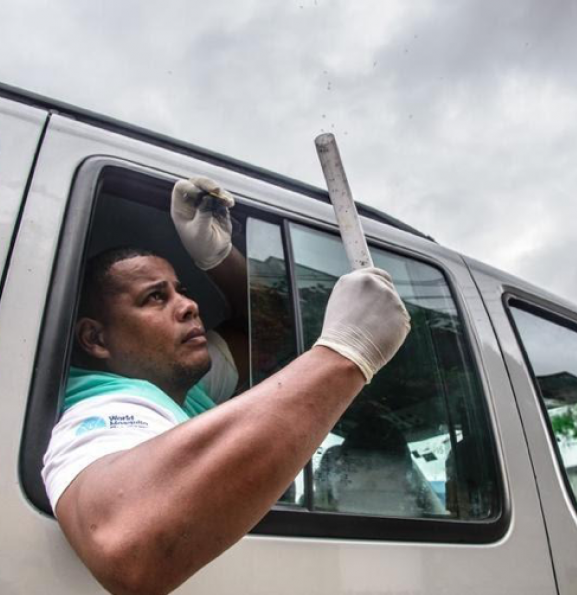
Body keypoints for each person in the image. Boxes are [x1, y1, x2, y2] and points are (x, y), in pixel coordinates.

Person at [42, 176, 411, 595]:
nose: (189, 304)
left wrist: (218, 257)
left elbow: (265, 335)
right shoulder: (105, 407)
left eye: (181, 290)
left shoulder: (182, 387)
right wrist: (346, 354)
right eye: (155, 298)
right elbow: (127, 546)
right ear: (96, 339)